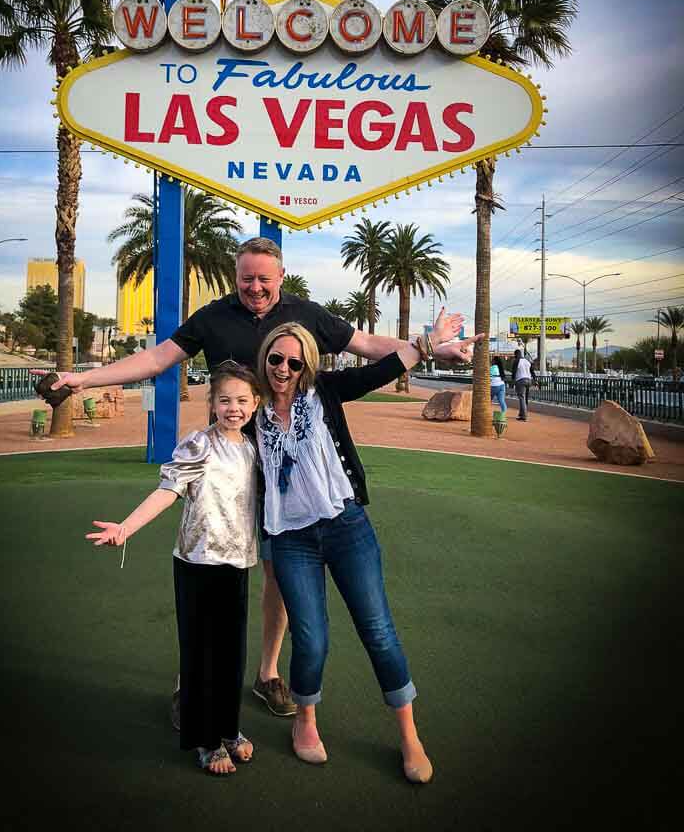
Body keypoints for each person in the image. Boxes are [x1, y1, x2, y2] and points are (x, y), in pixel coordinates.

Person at [36, 237, 482, 721]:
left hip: (282, 473)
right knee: (209, 571)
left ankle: (267, 674)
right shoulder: (213, 317)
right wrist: (84, 379)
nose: (254, 287)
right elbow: (155, 359)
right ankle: (194, 682)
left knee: (278, 575)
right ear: (235, 276)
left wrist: (431, 347)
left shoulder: (306, 315)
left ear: (281, 277)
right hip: (228, 465)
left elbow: (368, 345)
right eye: (246, 278)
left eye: (264, 279)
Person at [254, 321, 434, 784]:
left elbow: (381, 370)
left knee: (378, 631)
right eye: (276, 359)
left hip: (345, 526)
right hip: (290, 539)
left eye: (295, 361)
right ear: (265, 359)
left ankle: (409, 735)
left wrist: (427, 345)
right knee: (311, 639)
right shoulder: (250, 410)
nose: (284, 369)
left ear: (308, 364)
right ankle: (305, 720)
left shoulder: (325, 392)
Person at [85, 361, 262, 775]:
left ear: (255, 403)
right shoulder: (198, 444)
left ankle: (229, 729)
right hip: (197, 563)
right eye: (224, 400)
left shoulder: (252, 448)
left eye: (241, 400)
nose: (233, 408)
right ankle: (204, 740)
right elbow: (168, 491)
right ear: (212, 403)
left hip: (236, 564)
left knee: (231, 653)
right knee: (200, 654)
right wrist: (127, 527)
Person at [511, 349, 538, 421]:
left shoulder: (516, 361)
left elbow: (513, 372)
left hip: (521, 380)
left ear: (516, 355)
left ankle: (524, 416)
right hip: (528, 380)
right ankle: (521, 414)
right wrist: (535, 380)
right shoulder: (527, 361)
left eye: (515, 355)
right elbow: (532, 371)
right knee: (524, 398)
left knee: (521, 398)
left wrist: (512, 381)